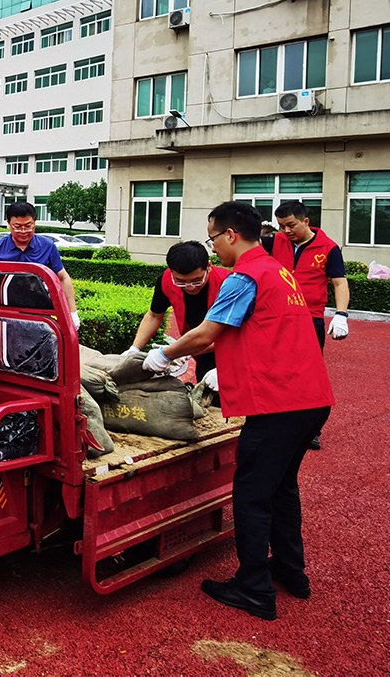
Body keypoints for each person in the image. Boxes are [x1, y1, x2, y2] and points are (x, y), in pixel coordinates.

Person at [142, 201, 334, 622]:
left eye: (213, 239)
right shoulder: (277, 271)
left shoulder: (244, 276)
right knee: (282, 489)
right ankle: (291, 574)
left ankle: (254, 589)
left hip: (279, 404)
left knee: (250, 495)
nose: (213, 249)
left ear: (230, 234)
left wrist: (163, 355)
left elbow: (209, 332)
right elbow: (235, 334)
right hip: (310, 400)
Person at [265, 200, 350, 449]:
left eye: (290, 225)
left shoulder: (329, 248)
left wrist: (341, 314)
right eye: (281, 226)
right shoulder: (277, 242)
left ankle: (311, 429)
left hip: (310, 319)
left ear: (305, 221)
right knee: (275, 369)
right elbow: (249, 250)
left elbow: (339, 283)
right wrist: (255, 232)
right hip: (277, 317)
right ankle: (277, 420)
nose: (286, 231)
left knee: (307, 374)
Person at [128, 240, 230, 378]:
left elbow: (234, 334)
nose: (190, 287)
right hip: (200, 353)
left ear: (209, 267)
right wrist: (134, 349)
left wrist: (179, 350)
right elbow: (154, 315)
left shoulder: (228, 283)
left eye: (197, 280)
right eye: (181, 281)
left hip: (231, 351)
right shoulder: (166, 280)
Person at [0, 201, 80, 328]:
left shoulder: (47, 246)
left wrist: (72, 313)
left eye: (28, 226)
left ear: (35, 222)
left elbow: (63, 277)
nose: (23, 231)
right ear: (8, 224)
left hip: (40, 314)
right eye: (17, 226)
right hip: (5, 314)